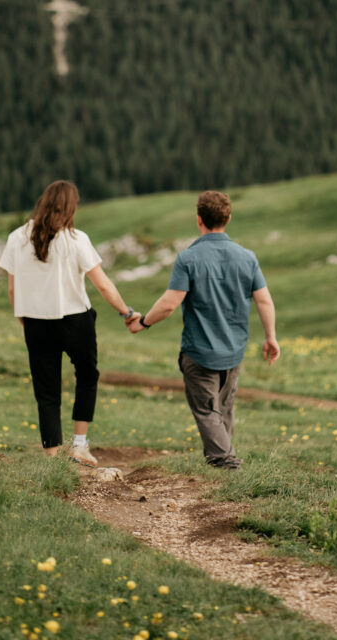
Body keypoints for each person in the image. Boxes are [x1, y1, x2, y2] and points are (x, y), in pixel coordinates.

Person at [128, 190, 280, 469]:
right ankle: (221, 460)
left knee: (207, 410)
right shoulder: (247, 257)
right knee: (223, 408)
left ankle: (226, 462)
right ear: (228, 218)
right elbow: (264, 300)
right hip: (234, 350)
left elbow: (170, 304)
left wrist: (143, 322)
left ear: (199, 220)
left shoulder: (189, 258)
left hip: (199, 352)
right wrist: (270, 337)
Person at [0, 180, 135, 466]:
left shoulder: (16, 238)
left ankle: (52, 457)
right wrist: (126, 312)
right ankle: (79, 446)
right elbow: (104, 285)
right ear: (71, 207)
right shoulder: (76, 239)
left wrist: (24, 319)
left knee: (46, 390)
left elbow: (12, 290)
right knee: (86, 376)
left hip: (36, 322)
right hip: (75, 321)